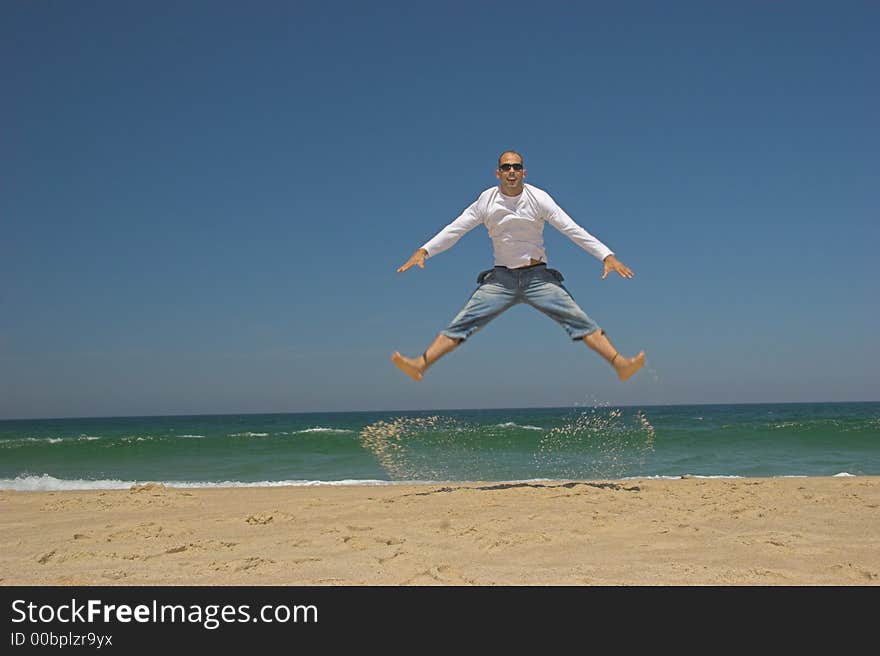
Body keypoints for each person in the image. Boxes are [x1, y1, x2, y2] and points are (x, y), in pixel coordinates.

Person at [392, 150, 645, 382]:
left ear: (523, 172)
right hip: (501, 280)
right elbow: (456, 229)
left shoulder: (539, 198)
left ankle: (620, 364)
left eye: (516, 166)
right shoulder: (486, 201)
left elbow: (572, 230)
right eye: (506, 167)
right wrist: (424, 250)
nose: (511, 171)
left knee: (577, 318)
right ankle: (420, 365)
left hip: (538, 278)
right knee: (463, 321)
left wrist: (606, 256)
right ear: (498, 173)